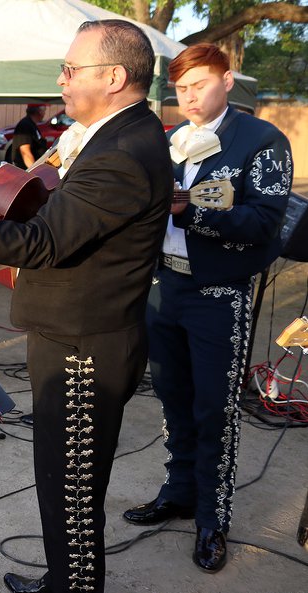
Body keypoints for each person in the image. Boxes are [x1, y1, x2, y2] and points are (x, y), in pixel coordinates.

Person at [0, 20, 173, 593]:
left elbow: (44, 242)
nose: (60, 80)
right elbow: (51, 219)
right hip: (72, 331)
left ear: (114, 77)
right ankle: (61, 581)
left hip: (84, 347)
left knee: (72, 490)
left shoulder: (122, 151)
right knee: (61, 484)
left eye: (71, 69)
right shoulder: (116, 135)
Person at [121, 43, 292, 574]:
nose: (189, 96)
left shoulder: (262, 140)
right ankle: (178, 491)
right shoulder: (170, 139)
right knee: (172, 398)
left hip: (220, 292)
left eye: (200, 84)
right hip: (163, 286)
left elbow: (265, 222)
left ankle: (212, 518)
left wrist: (189, 211)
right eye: (181, 88)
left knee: (214, 407)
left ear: (227, 80)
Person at [10, 104, 48, 169]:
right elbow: (25, 152)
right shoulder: (25, 125)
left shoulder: (32, 125)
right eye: (44, 110)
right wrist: (34, 171)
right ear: (39, 111)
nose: (45, 113)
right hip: (25, 171)